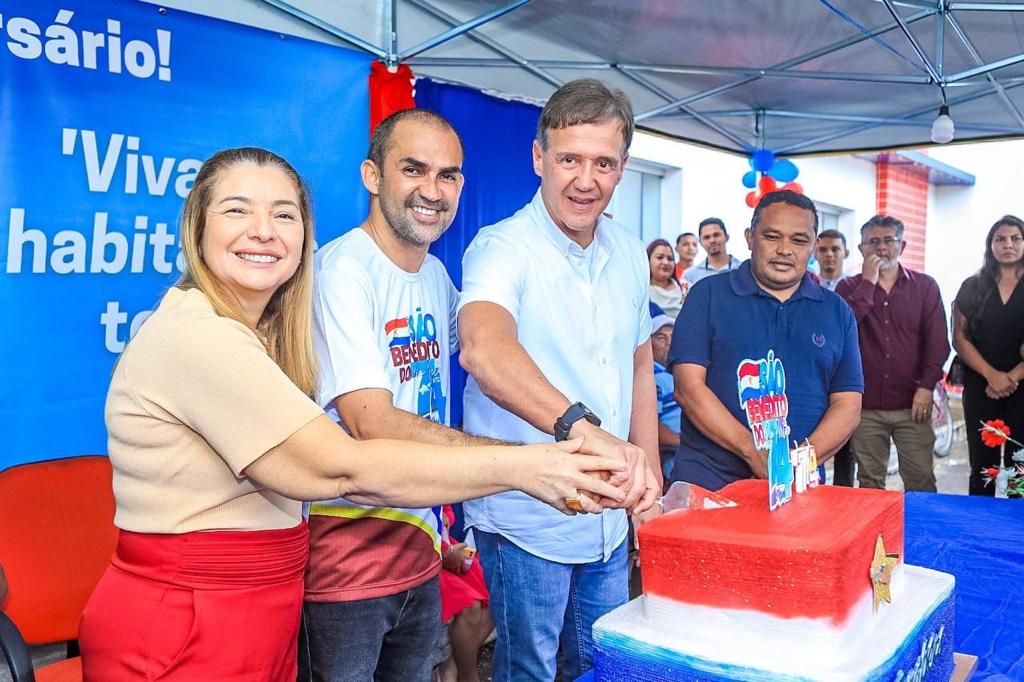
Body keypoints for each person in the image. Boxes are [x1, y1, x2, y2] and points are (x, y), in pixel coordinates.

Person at [77, 148, 631, 682]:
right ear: (196, 228)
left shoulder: (257, 334)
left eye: (284, 214)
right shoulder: (197, 337)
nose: (264, 230)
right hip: (184, 626)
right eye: (237, 210)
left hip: (258, 610)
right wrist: (531, 468)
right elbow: (343, 468)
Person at [456, 78, 661, 681]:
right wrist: (582, 431)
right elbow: (483, 350)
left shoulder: (627, 250)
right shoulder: (501, 247)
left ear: (622, 169)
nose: (585, 179)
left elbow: (639, 365)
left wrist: (645, 477)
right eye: (569, 158)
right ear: (538, 157)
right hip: (527, 518)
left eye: (604, 163)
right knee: (529, 671)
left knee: (599, 666)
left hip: (611, 515)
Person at [302, 109, 502, 682]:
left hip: (418, 543)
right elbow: (370, 421)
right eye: (414, 169)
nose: (432, 191)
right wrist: (504, 461)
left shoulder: (437, 276)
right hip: (346, 550)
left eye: (448, 175)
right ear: (372, 175)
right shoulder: (344, 270)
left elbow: (484, 355)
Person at [669, 191, 863, 491]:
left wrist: (798, 462)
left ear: (813, 245)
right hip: (708, 484)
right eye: (772, 236)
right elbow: (688, 388)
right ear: (750, 237)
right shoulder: (706, 295)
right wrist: (753, 451)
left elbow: (848, 404)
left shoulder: (837, 311)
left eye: (799, 240)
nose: (785, 249)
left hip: (799, 489)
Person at [836, 215, 949, 492]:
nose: (881, 248)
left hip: (912, 405)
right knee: (870, 484)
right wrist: (868, 283)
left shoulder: (925, 287)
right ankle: (876, 536)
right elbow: (841, 331)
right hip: (866, 406)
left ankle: (921, 535)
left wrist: (926, 388)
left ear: (903, 245)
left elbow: (937, 344)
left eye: (889, 240)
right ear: (862, 249)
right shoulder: (847, 289)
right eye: (873, 242)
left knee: (921, 479)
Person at [952, 215, 1024, 495]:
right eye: (1000, 239)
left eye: (1015, 238)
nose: (1008, 245)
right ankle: (978, 528)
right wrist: (992, 376)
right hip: (981, 384)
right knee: (983, 464)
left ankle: (1017, 529)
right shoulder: (973, 286)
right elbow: (960, 337)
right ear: (990, 245)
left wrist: (1012, 377)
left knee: (1021, 463)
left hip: (1022, 386)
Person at [815, 228, 855, 486]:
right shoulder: (804, 283)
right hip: (816, 377)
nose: (829, 255)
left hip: (845, 377)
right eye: (823, 249)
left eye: (835, 249)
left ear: (845, 253)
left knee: (845, 449)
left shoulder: (857, 286)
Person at [436, 506, 492, 682]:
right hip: (426, 558)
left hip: (450, 548)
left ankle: (452, 668)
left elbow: (448, 509)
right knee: (470, 605)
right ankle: (469, 676)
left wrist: (445, 519)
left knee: (498, 597)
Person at [651, 314, 682, 479]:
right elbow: (652, 425)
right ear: (648, 344)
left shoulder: (678, 370)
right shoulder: (651, 377)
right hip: (678, 458)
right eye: (661, 337)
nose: (669, 342)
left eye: (672, 336)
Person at [683, 217, 741, 286]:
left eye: (716, 235)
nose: (712, 240)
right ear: (700, 242)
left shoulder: (743, 269)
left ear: (727, 237)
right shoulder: (690, 275)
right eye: (707, 237)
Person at [648, 238, 685, 318]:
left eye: (670, 259)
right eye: (659, 257)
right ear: (648, 260)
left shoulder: (687, 289)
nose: (666, 262)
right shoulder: (642, 292)